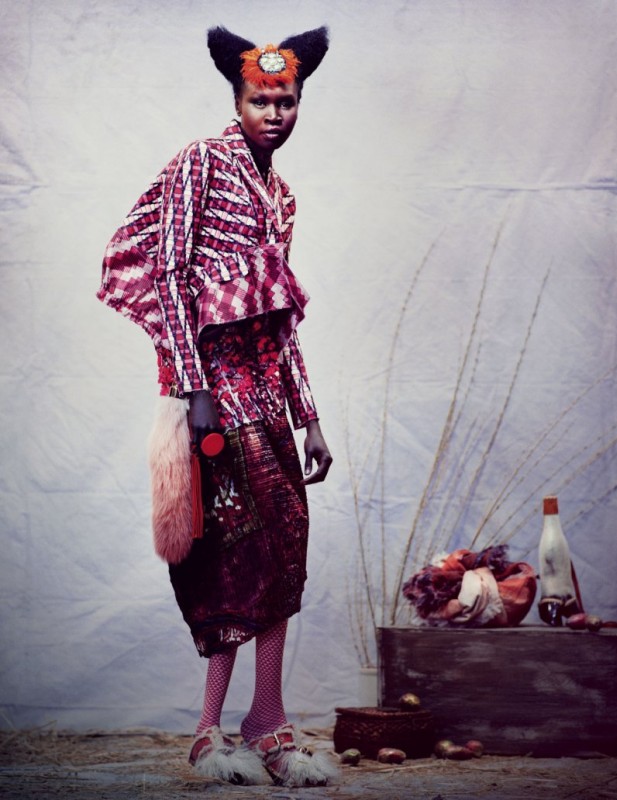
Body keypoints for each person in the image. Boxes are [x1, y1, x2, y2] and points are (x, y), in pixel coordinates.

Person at [97, 25, 336, 787]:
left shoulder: (282, 198)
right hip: (212, 392)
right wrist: (193, 388)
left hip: (267, 395)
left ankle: (266, 719)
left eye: (286, 100)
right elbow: (169, 273)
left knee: (285, 545)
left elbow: (279, 319)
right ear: (237, 101)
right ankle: (208, 729)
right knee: (228, 555)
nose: (275, 113)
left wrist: (310, 417)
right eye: (261, 100)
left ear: (299, 103)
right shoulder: (200, 161)